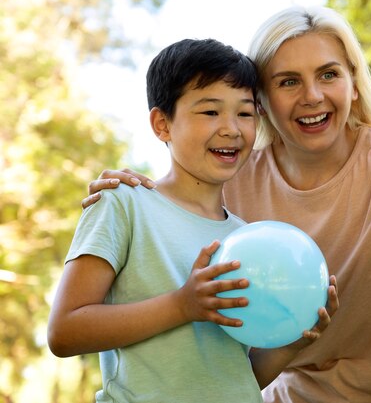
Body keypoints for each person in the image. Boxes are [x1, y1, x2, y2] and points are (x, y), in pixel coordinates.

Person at [83, 5, 371, 403]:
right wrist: (132, 190)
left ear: (354, 83)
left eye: (329, 74)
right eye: (288, 81)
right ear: (264, 101)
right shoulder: (234, 176)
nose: (311, 95)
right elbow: (176, 202)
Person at [48, 37, 338, 403]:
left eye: (245, 113)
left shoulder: (245, 239)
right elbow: (64, 331)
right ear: (162, 124)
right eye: (210, 111)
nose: (232, 128)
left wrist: (291, 343)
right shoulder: (123, 204)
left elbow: (234, 373)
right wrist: (182, 305)